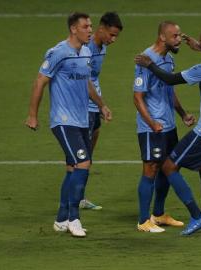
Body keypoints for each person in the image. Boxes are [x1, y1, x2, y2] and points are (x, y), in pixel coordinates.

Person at [134, 26, 201, 235]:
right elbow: (140, 94)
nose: (186, 40)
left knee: (169, 166)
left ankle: (196, 215)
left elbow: (171, 80)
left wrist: (150, 65)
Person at [25, 12, 112, 237]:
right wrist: (32, 115)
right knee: (83, 162)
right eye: (86, 26)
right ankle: (74, 218)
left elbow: (88, 83)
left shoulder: (85, 52)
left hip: (82, 119)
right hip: (63, 121)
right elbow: (39, 82)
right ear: (74, 29)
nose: (90, 30)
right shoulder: (57, 53)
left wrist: (102, 105)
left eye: (91, 26)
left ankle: (61, 218)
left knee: (74, 168)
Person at [133, 21, 195, 232]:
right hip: (152, 127)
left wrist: (183, 113)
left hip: (168, 125)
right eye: (176, 36)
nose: (180, 39)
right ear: (162, 37)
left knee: (168, 167)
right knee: (151, 168)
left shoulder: (168, 59)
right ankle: (143, 221)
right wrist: (152, 123)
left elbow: (169, 89)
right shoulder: (145, 60)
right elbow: (137, 97)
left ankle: (158, 214)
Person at [79, 11, 123, 211]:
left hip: (94, 104)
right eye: (111, 35)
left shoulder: (102, 47)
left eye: (116, 36)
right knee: (82, 156)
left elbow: (94, 78)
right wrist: (101, 104)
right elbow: (84, 80)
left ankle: (80, 196)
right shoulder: (85, 48)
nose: (113, 40)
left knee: (90, 151)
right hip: (84, 104)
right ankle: (75, 198)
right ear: (101, 28)